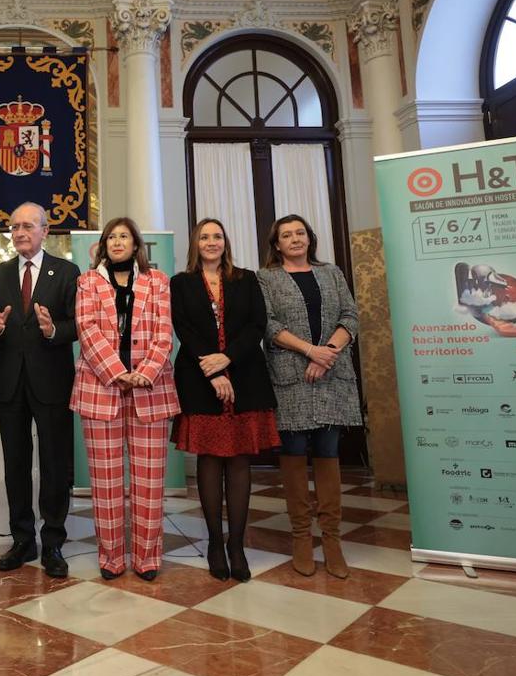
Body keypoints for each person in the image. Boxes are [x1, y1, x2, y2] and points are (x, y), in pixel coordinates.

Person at [170, 218, 279, 582]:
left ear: (226, 242)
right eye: (204, 236)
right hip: (200, 380)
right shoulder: (181, 283)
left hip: (245, 375)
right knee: (211, 458)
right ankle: (215, 543)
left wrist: (228, 359)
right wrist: (213, 370)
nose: (212, 242)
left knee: (239, 460)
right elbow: (183, 328)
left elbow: (257, 325)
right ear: (195, 243)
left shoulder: (247, 279)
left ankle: (237, 545)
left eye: (217, 236)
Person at [72, 217, 179, 581]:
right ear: (103, 245)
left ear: (137, 245)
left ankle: (147, 559)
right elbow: (86, 329)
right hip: (101, 388)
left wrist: (144, 374)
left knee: (149, 483)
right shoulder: (87, 282)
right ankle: (112, 558)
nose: (118, 242)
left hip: (151, 389)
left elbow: (165, 333)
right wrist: (118, 372)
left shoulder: (158, 282)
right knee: (105, 482)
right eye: (111, 237)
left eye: (125, 236)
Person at [258, 214, 360, 579]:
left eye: (300, 232)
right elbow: (268, 325)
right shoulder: (266, 278)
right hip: (292, 377)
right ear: (277, 243)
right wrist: (309, 351)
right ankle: (302, 536)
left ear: (309, 238)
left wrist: (327, 352)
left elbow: (351, 315)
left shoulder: (331, 272)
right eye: (286, 235)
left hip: (331, 376)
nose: (295, 239)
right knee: (294, 452)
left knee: (329, 452)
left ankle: (332, 539)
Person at [0, 201, 79, 578]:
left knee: (55, 464)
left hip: (52, 380)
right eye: (14, 226)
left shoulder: (67, 272)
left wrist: (54, 329)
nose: (20, 232)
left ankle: (53, 540)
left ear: (45, 230)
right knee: (15, 464)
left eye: (28, 226)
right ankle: (22, 539)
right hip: (9, 381)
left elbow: (77, 325)